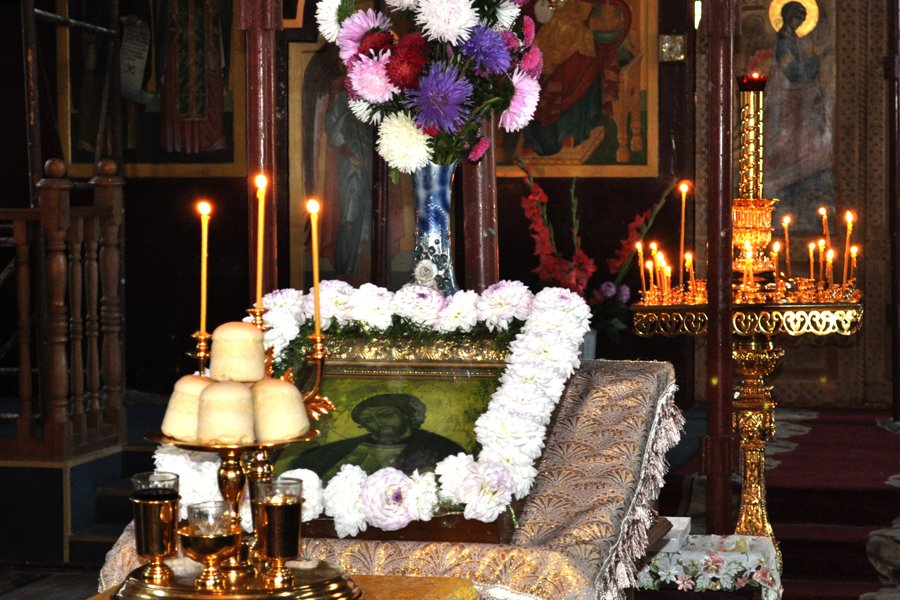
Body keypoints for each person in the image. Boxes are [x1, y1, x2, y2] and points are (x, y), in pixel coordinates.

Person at [764, 0, 834, 229]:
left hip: (799, 99)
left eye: (802, 20)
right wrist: (818, 59)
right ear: (788, 17)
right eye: (797, 18)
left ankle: (802, 180)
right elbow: (794, 72)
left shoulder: (792, 39)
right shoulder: (784, 43)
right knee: (790, 141)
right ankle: (782, 183)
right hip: (788, 100)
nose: (799, 23)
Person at [286, 393, 466, 480]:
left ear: (406, 415)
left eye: (385, 415)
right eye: (368, 420)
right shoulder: (342, 449)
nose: (378, 423)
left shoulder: (441, 448)